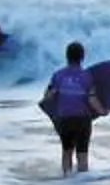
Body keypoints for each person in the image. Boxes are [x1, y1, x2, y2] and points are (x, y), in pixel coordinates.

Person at [41, 40, 97, 175]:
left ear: (66, 56)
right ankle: (82, 184)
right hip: (82, 119)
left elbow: (48, 96)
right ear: (82, 57)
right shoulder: (87, 76)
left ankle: (66, 181)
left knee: (66, 151)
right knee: (82, 154)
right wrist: (103, 111)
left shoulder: (58, 75)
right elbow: (92, 99)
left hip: (64, 119)